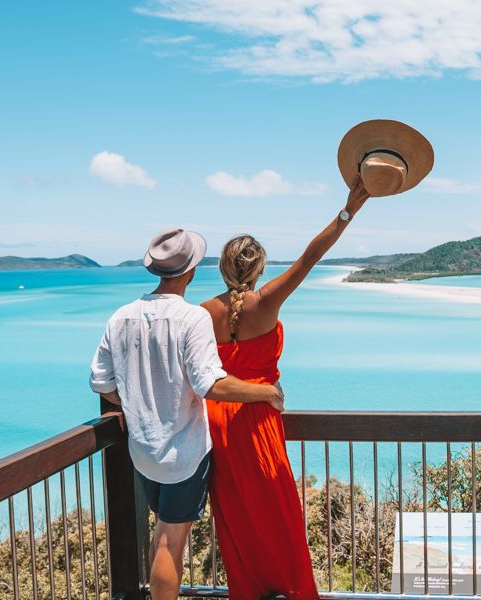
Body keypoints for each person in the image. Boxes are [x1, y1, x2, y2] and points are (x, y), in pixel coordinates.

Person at [89, 228, 285, 600]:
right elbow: (211, 384)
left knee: (161, 534)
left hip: (142, 451)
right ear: (192, 271)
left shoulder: (121, 317)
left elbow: (101, 382)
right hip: (183, 453)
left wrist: (133, 403)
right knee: (170, 541)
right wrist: (266, 393)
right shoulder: (190, 318)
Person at [200, 176, 370, 600]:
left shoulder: (203, 312)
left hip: (216, 423)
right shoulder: (268, 300)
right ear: (258, 268)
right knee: (276, 510)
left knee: (236, 515)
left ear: (222, 268)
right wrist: (348, 210)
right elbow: (312, 256)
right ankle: (291, 588)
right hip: (256, 419)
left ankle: (249, 589)